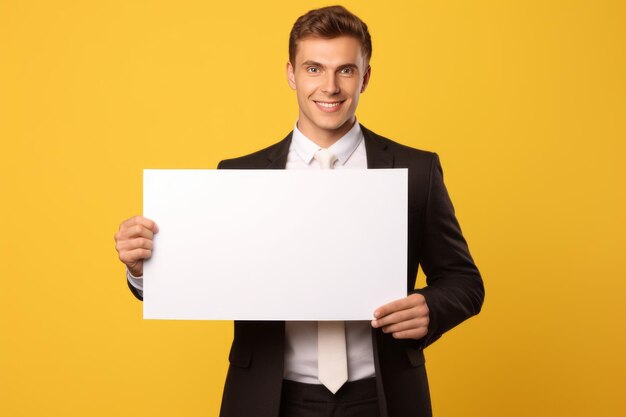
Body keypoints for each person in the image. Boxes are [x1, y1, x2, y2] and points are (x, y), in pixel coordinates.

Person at [114, 5, 484, 417]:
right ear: (291, 73)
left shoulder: (415, 169)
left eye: (345, 70)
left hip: (383, 396)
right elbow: (200, 281)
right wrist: (143, 270)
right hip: (270, 398)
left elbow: (464, 281)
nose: (330, 86)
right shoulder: (239, 175)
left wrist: (431, 307)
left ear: (365, 76)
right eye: (313, 69)